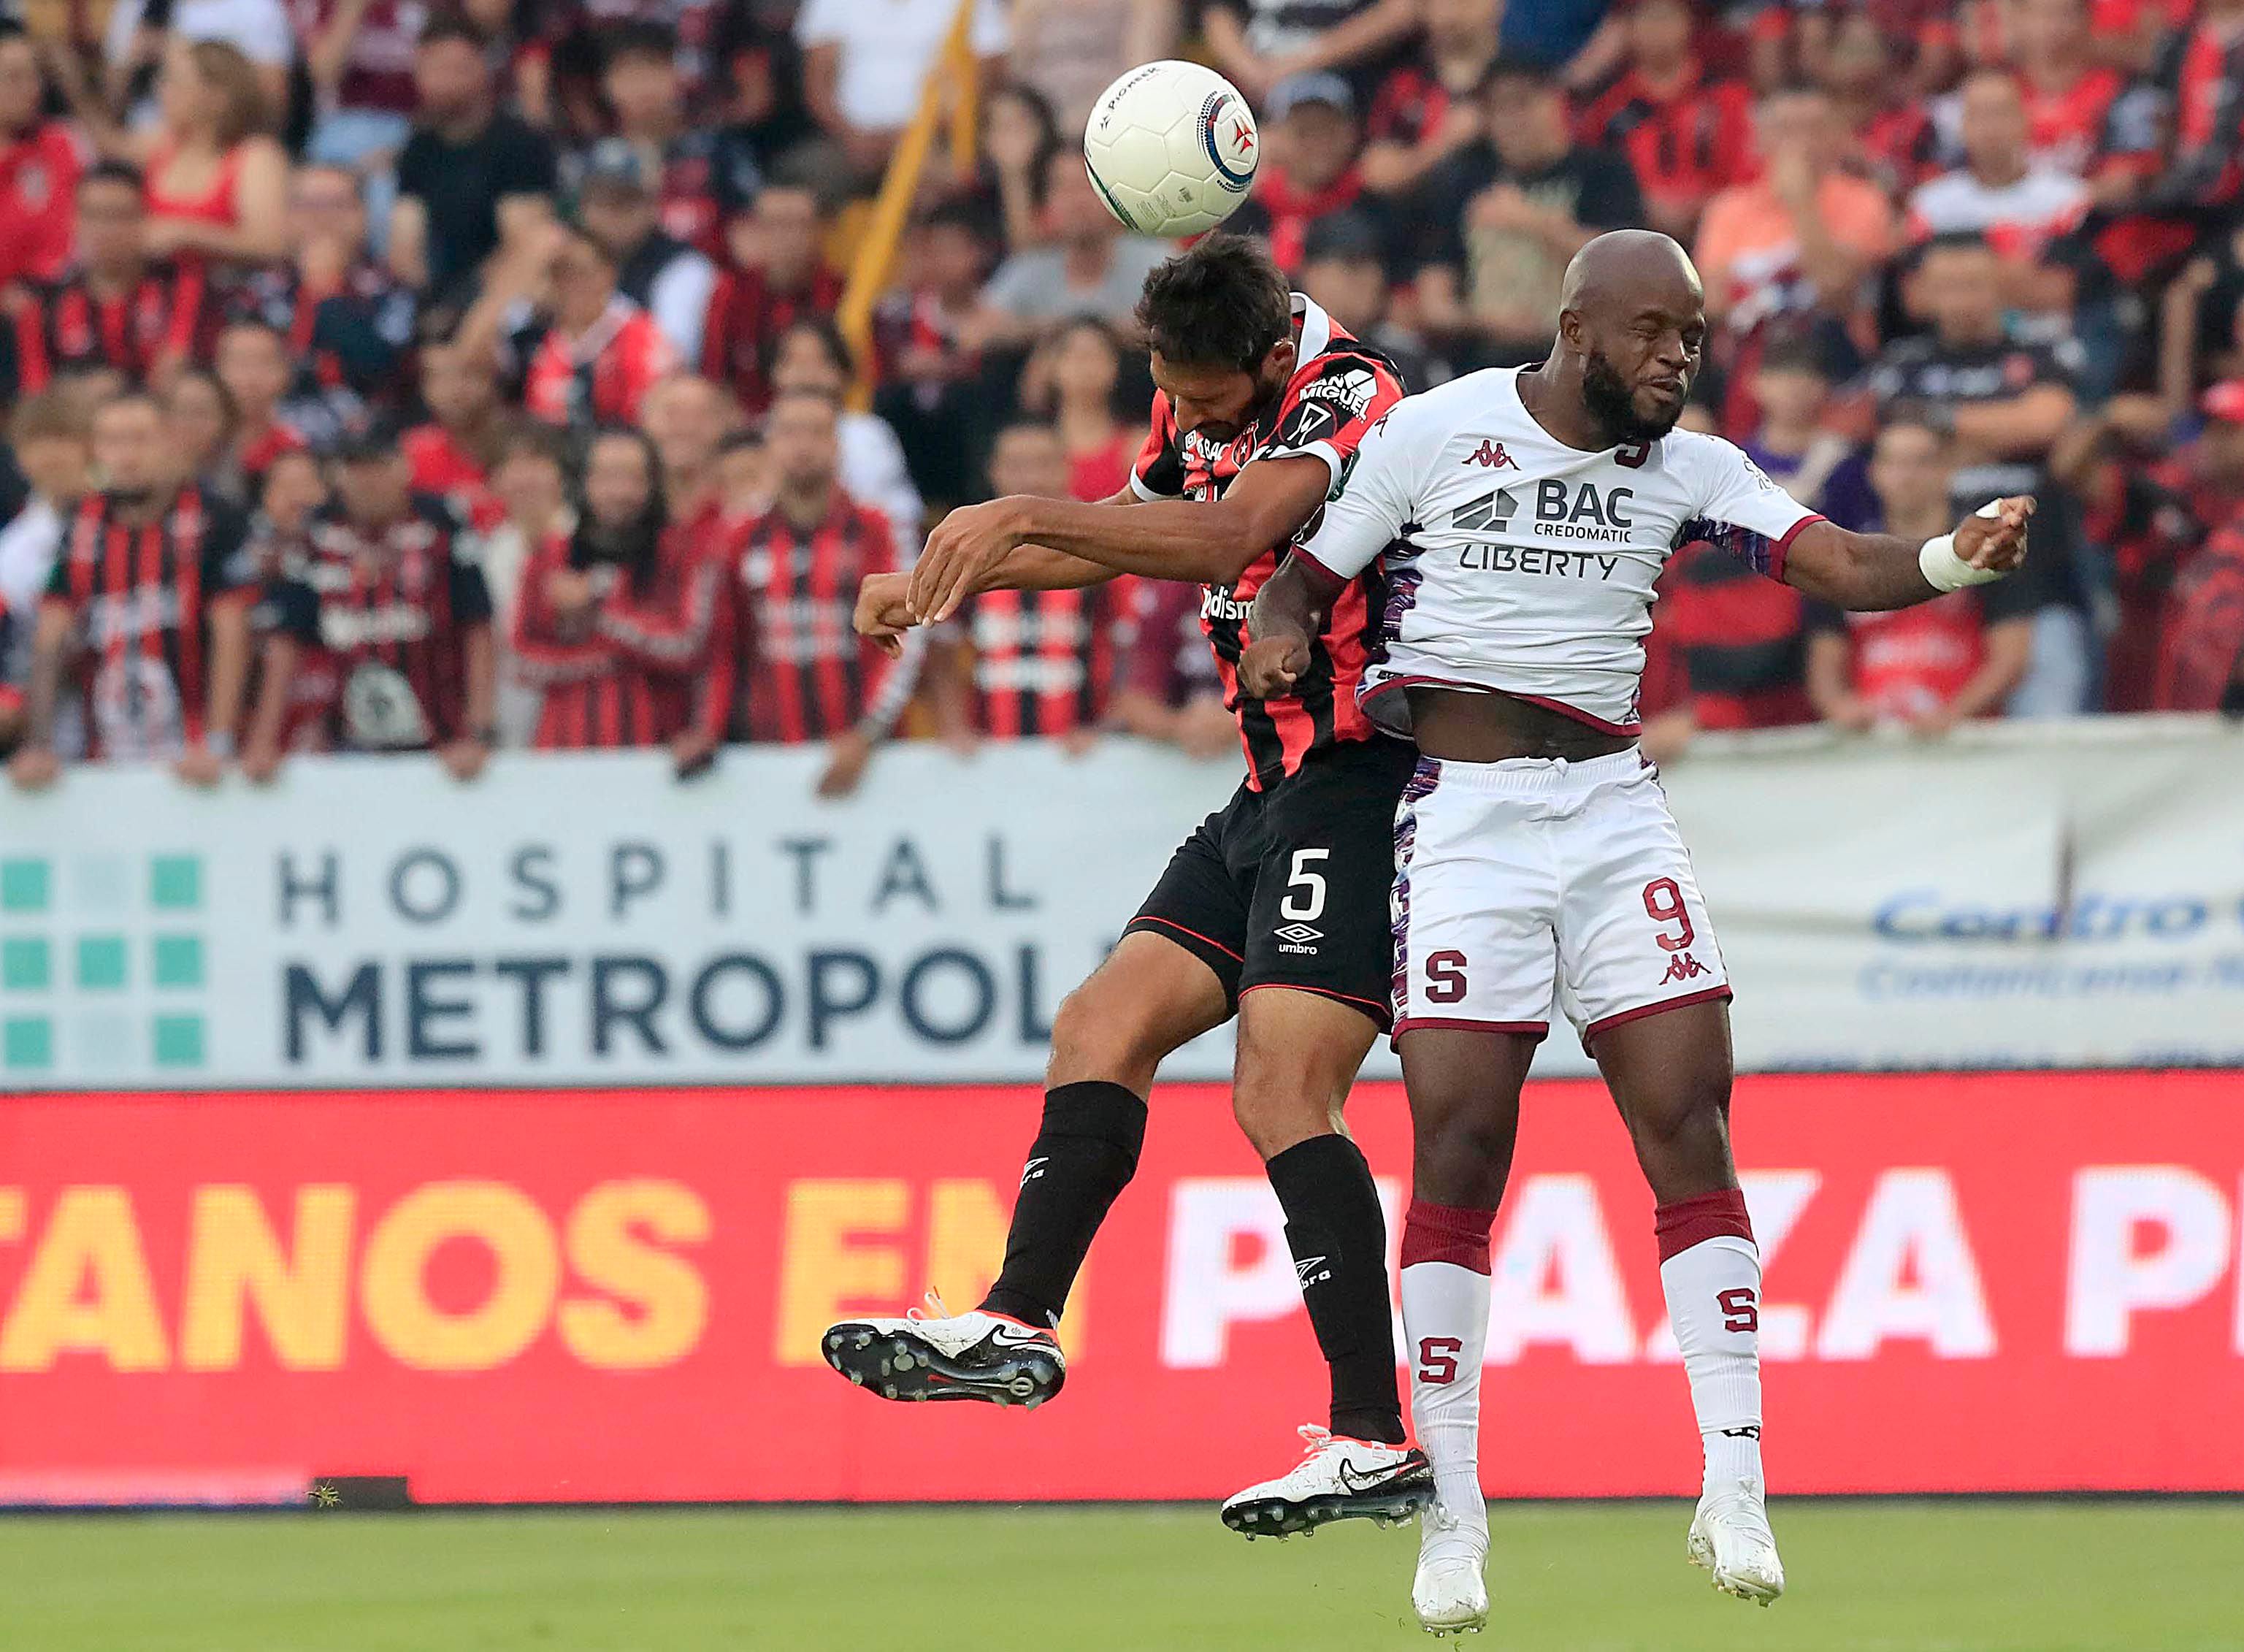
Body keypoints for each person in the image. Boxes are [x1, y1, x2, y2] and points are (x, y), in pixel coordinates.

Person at [1238, 230, 2031, 1633]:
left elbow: (1836, 562)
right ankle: (1456, 1510)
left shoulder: (1687, 466)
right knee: (1463, 1147)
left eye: (1695, 336)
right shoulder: (1438, 431)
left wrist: (1947, 560)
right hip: (1467, 823)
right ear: (1576, 328)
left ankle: (1735, 1481)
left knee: (1686, 1118)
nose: (1680, 356)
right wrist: (1279, 630)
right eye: (1656, 333)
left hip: (1610, 813)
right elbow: (1305, 573)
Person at [827, 234, 1433, 1540]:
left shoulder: (1346, 388)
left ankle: (1372, 1437)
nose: (1191, 417)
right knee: (1098, 1025)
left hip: (1366, 776)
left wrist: (1019, 511)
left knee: (1280, 1083)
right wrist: (951, 579)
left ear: (1270, 360)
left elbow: (1225, 532)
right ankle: (1015, 1321)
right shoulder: (1194, 383)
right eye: (1180, 397)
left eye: (1212, 402)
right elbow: (1129, 542)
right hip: (1267, 788)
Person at [8, 391, 260, 789]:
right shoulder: (79, 529)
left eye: (140, 439)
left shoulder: (215, 519)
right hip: (107, 762)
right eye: (111, 442)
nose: (126, 457)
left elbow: (233, 635)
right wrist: (39, 744)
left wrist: (218, 742)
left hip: (200, 762)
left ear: (170, 441)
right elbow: (50, 641)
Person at [251, 423, 497, 779]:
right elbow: (286, 641)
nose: (367, 479)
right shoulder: (316, 534)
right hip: (347, 749)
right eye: (355, 468)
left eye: (377, 466)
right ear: (338, 477)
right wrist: (264, 742)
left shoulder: (442, 525)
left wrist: (479, 732)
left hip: (443, 747)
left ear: (403, 468)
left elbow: (477, 627)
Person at [730, 389, 920, 797]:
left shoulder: (881, 528)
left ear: (837, 445)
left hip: (875, 761)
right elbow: (728, 646)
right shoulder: (740, 536)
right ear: (770, 446)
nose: (803, 446)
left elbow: (910, 635)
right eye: (789, 433)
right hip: (764, 759)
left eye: (816, 432)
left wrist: (867, 734)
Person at [511, 424, 732, 763]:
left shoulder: (686, 553)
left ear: (653, 485)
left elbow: (691, 646)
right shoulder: (548, 558)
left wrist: (599, 616)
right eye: (608, 477)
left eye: (634, 478)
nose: (621, 492)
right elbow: (522, 662)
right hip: (563, 758)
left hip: (659, 756)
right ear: (584, 483)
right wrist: (610, 657)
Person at [1807, 416, 2037, 733]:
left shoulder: (1989, 551)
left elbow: (2012, 657)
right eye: (1894, 462)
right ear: (1875, 473)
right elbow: (1825, 662)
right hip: (1874, 746)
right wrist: (1841, 708)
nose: (1907, 476)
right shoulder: (1849, 561)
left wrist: (1954, 715)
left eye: (1921, 462)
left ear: (1949, 468)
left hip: (1963, 744)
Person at [1415, 58, 1647, 370]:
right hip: (1485, 361)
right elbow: (1434, 304)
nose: (1511, 120)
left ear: (1556, 102)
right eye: (1497, 109)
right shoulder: (1465, 182)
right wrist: (1486, 321)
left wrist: (1528, 220)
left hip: (1581, 362)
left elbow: (1625, 269)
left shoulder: (1604, 172)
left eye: (1522, 103)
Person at [931, 422, 1132, 747]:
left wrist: (1106, 726)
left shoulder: (1103, 550)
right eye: (1017, 466)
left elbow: (1128, 647)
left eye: (1044, 464)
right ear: (994, 472)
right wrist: (955, 728)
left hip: (1083, 755)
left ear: (1067, 469)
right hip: (990, 756)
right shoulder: (964, 553)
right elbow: (943, 650)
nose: (1032, 479)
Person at [3, 163, 210, 397]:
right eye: (92, 215)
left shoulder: (180, 286)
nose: (104, 230)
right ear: (74, 221)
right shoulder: (43, 303)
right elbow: (36, 399)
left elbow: (175, 376)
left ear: (146, 220)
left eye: (118, 216)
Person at [391, 16, 558, 303]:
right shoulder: (418, 149)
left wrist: (462, 301)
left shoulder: (520, 144)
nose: (445, 82)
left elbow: (521, 246)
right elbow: (405, 247)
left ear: (483, 68)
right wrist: (426, 300)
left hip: (505, 296)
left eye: (457, 69)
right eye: (434, 69)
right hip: (439, 291)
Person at [978, 148, 1174, 348]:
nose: (1078, 202)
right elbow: (978, 331)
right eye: (1064, 188)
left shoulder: (1157, 262)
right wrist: (1054, 330)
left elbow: (1184, 326)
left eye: (1088, 186)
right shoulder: (1031, 267)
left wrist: (1105, 331)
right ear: (1046, 204)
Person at [795, 0, 1008, 176]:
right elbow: (818, 83)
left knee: (943, 184)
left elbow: (988, 78)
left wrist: (918, 136)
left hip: (938, 140)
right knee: (793, 192)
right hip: (848, 142)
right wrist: (850, 136)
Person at [700, 183, 843, 418]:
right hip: (748, 428)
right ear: (754, 230)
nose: (788, 237)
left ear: (820, 230)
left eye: (800, 225)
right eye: (775, 225)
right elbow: (716, 379)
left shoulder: (841, 292)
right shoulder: (731, 293)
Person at [573, 138, 718, 365]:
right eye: (600, 201)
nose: (612, 214)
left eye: (625, 201)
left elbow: (672, 357)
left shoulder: (684, 266)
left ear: (652, 204)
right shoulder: (566, 260)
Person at [1228, 72, 1368, 276]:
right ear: (1276, 136)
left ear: (1351, 134)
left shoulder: (1367, 198)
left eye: (1329, 130)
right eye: (1304, 132)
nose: (1319, 144)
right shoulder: (1248, 206)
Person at [0, 26, 83, 291]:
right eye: (15, 78)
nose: (31, 90)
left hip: (52, 299)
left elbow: (78, 236)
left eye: (35, 77)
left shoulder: (63, 144)